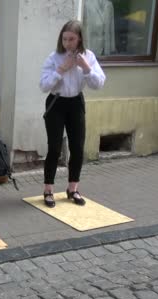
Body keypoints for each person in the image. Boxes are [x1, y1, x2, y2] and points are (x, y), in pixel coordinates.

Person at [39, 20, 106, 208]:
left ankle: (73, 188)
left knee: (77, 147)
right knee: (54, 147)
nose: (68, 42)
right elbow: (43, 85)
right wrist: (61, 69)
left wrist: (85, 67)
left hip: (76, 102)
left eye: (72, 39)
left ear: (80, 39)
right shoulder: (54, 57)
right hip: (56, 102)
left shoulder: (88, 56)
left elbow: (98, 84)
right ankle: (48, 190)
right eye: (65, 38)